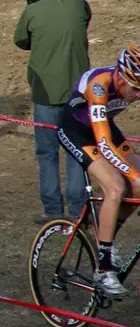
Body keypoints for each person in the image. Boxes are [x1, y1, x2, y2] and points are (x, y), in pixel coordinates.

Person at [13, 0, 91, 223]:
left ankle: (52, 210)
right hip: (79, 92)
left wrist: (33, 5)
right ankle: (80, 209)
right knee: (77, 150)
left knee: (47, 152)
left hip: (45, 92)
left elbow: (22, 41)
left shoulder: (32, 11)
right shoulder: (80, 6)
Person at [56, 46, 140, 298]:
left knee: (137, 188)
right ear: (120, 77)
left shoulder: (130, 85)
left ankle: (105, 234)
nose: (137, 95)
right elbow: (103, 144)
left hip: (103, 127)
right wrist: (134, 175)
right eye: (135, 89)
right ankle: (103, 270)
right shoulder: (99, 85)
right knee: (115, 186)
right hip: (77, 132)